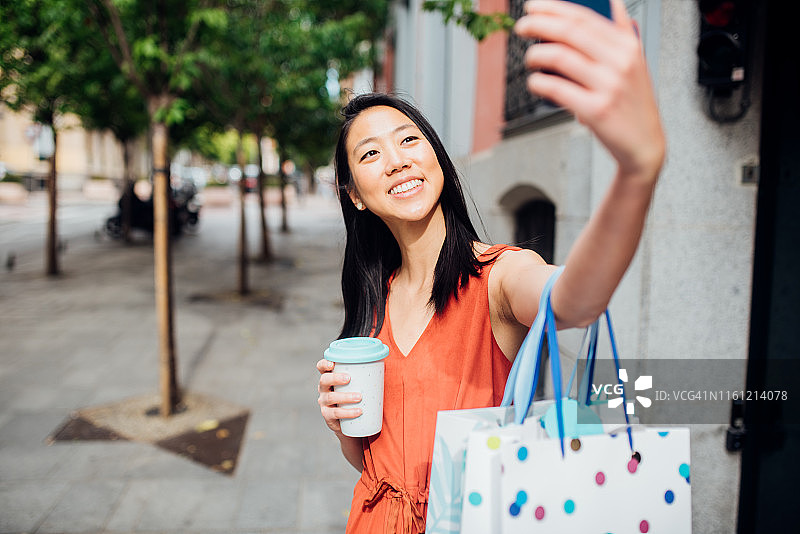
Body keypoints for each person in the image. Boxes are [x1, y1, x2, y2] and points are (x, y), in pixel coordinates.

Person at [316, 0, 665, 532]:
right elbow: (368, 460)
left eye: (410, 140)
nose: (397, 160)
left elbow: (574, 298)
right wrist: (342, 421)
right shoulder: (373, 295)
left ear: (437, 158)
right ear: (354, 194)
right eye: (370, 154)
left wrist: (635, 171)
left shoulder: (498, 277)